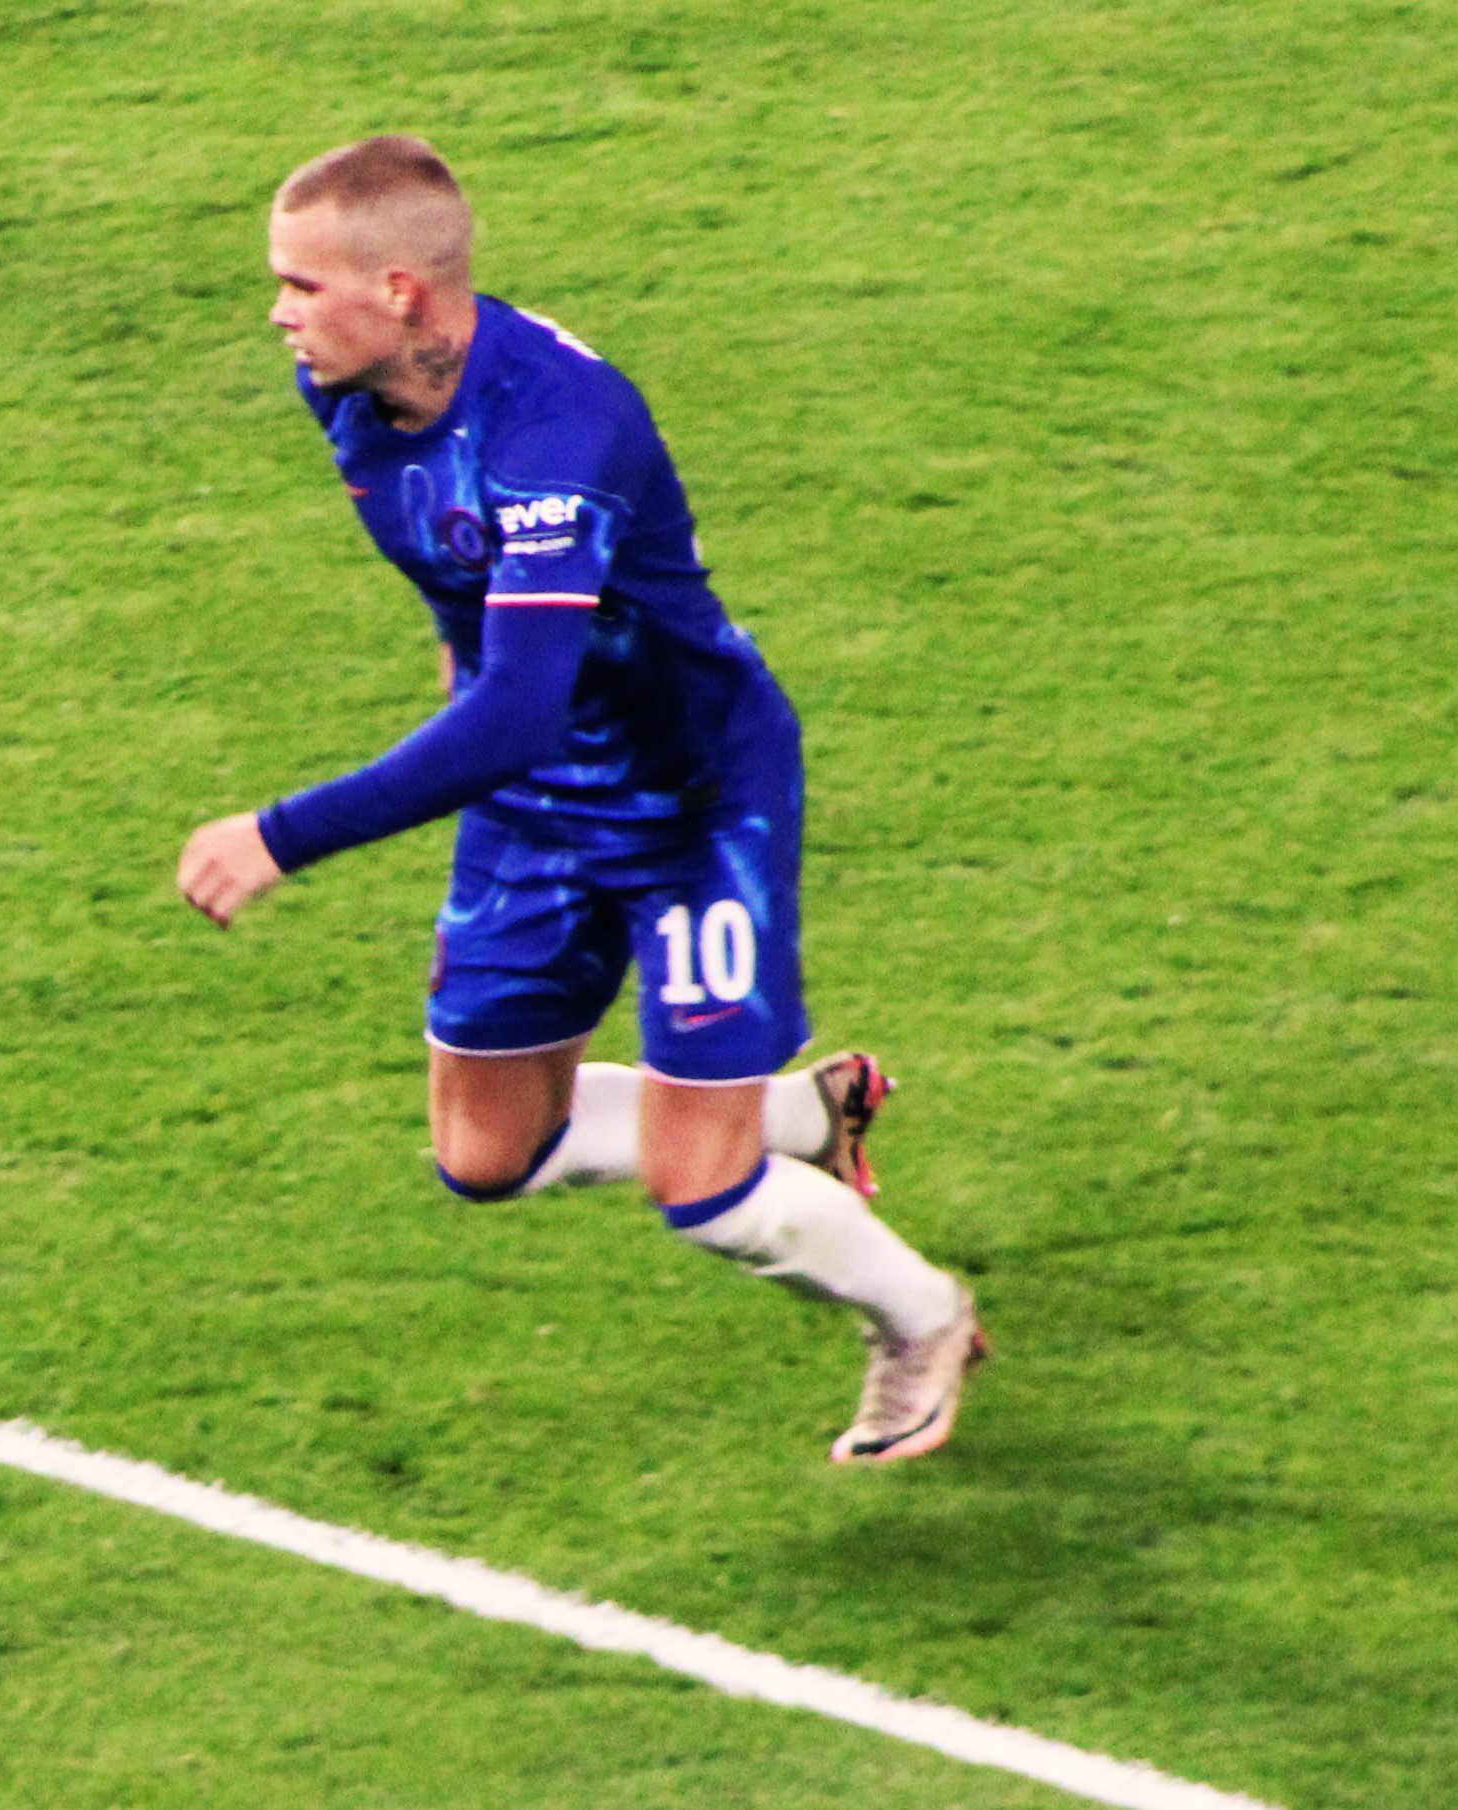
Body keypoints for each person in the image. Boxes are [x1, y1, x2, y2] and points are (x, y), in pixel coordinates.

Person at [175, 135, 986, 1463]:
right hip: (535, 800)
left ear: (400, 292)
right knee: (485, 1154)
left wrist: (280, 836)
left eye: (300, 285)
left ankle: (922, 1319)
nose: (277, 313)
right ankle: (802, 1113)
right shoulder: (351, 395)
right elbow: (461, 591)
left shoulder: (559, 434)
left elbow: (516, 714)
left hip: (692, 800)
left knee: (702, 1190)